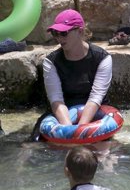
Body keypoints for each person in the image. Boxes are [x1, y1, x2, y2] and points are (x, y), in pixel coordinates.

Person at [30, 9, 112, 141]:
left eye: (63, 33)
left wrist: (79, 131)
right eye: (55, 33)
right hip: (62, 112)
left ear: (79, 31)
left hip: (95, 111)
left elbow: (96, 97)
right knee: (32, 146)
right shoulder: (51, 62)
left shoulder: (102, 58)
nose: (58, 38)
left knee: (103, 153)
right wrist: (68, 131)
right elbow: (56, 99)